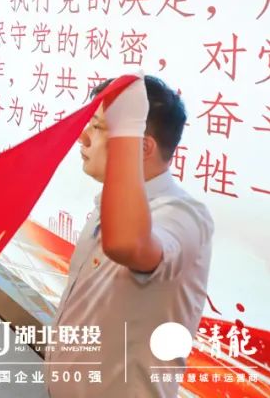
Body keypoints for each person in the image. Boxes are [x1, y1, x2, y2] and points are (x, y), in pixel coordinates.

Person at [47, 75, 213, 398]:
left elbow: (128, 244)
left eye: (97, 127)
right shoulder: (110, 203)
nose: (83, 137)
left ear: (142, 146)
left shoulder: (183, 215)